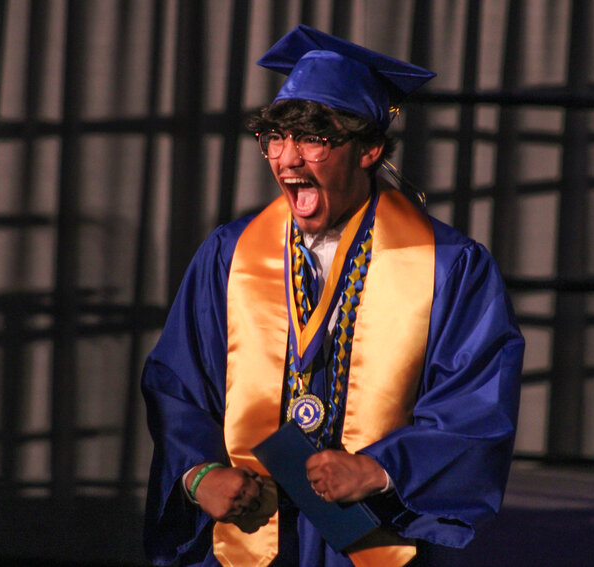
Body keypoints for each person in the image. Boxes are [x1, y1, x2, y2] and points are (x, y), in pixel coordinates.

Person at [142, 24, 524, 567]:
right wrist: (198, 472)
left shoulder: (449, 266)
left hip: (374, 530)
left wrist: (380, 467)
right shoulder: (230, 255)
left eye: (314, 140)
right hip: (248, 528)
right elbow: (176, 383)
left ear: (369, 148)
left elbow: (477, 405)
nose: (288, 160)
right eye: (276, 139)